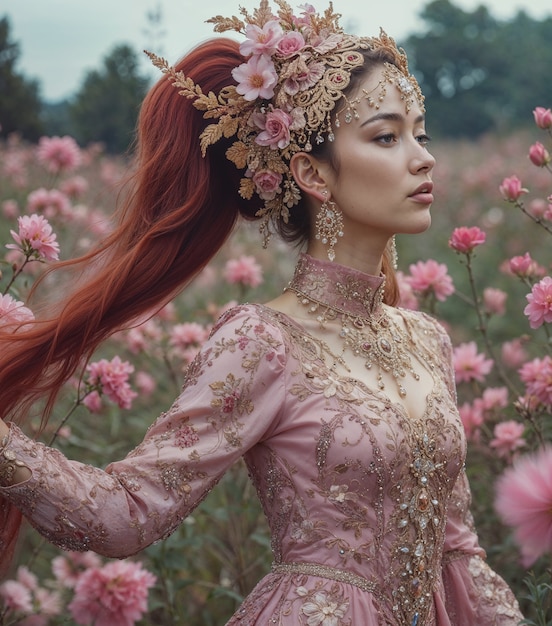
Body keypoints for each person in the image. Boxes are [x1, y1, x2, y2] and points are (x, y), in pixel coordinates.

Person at [0, 1, 523, 624]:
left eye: (421, 132)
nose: (423, 157)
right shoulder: (263, 342)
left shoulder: (425, 339)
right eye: (387, 136)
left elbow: (458, 550)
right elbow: (123, 514)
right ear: (311, 173)